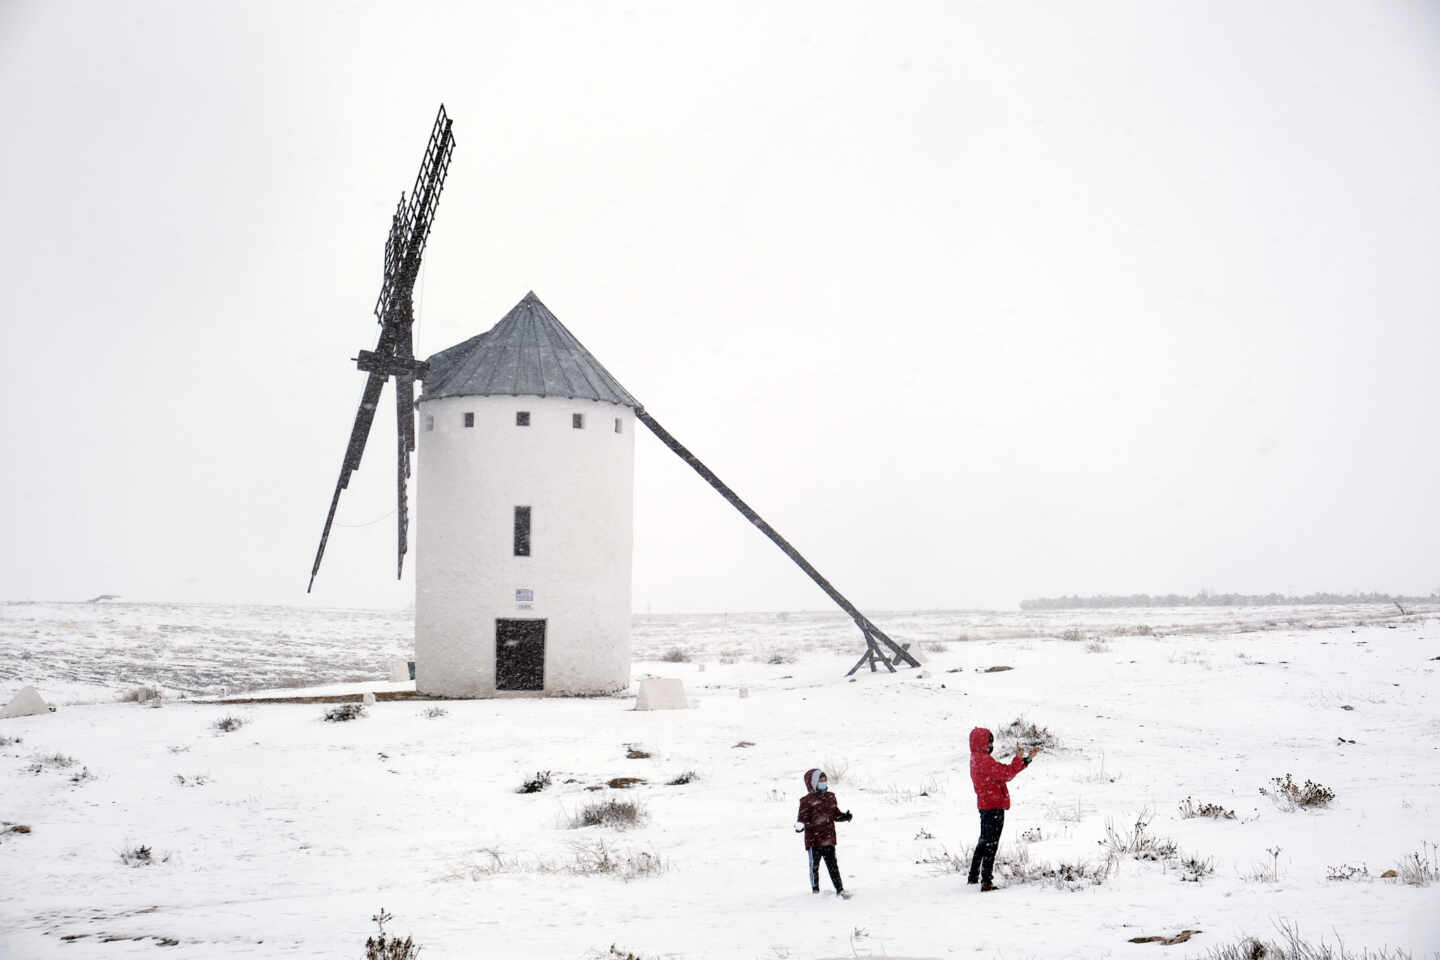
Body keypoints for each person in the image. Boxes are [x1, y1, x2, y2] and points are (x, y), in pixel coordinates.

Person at [967, 727, 1039, 891]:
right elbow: (1006, 774)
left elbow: (1003, 773)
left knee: (984, 841)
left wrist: (1026, 760)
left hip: (986, 805)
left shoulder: (976, 758)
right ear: (983, 743)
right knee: (991, 844)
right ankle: (986, 881)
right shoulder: (984, 760)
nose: (991, 745)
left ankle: (973, 876)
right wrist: (1019, 759)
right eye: (989, 742)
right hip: (993, 805)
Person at [795, 768, 854, 897]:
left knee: (833, 866)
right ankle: (815, 892)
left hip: (828, 838)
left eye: (825, 780)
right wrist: (800, 826)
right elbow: (801, 820)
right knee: (814, 867)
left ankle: (840, 889)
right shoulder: (806, 801)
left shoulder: (830, 797)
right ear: (813, 783)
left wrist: (845, 816)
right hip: (814, 841)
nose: (824, 782)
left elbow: (835, 815)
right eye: (820, 780)